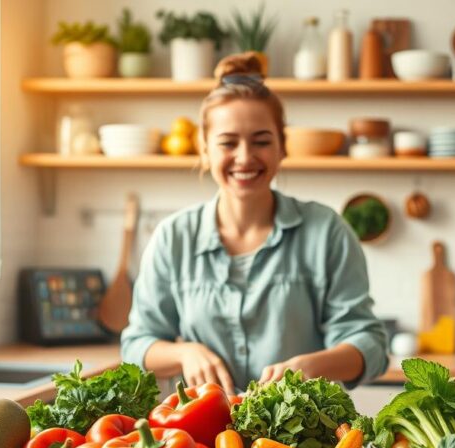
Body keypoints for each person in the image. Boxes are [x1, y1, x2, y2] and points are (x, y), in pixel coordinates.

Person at [120, 53, 388, 397]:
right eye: (228, 143)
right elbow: (136, 346)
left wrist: (310, 366)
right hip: (201, 440)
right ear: (205, 150)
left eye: (261, 141)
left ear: (282, 148)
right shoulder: (173, 237)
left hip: (300, 442)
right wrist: (185, 353)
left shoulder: (327, 231)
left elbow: (371, 346)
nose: (245, 157)